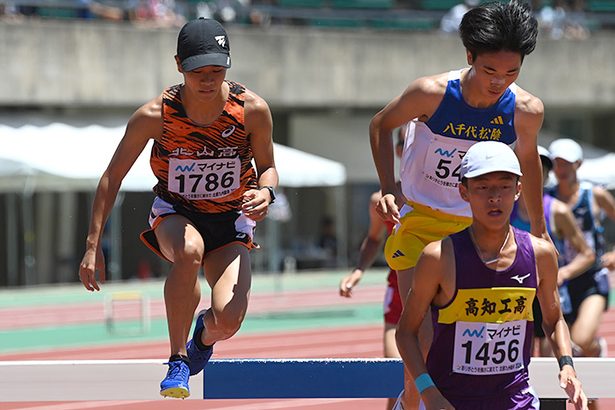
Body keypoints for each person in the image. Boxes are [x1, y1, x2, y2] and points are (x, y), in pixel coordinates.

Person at [78, 18, 278, 399]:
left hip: (229, 221)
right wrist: (92, 245)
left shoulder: (252, 110)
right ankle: (178, 358)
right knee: (189, 251)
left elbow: (267, 168)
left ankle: (202, 335)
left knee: (229, 321)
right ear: (178, 65)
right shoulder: (156, 115)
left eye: (217, 71)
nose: (207, 80)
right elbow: (112, 176)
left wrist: (267, 193)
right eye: (197, 71)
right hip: (176, 212)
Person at [369, 1, 547, 407]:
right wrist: (388, 187)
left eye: (511, 73)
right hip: (420, 222)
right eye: (489, 71)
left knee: (470, 344)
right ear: (469, 57)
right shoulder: (430, 93)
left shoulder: (524, 109)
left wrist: (538, 227)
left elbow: (529, 162)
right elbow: (380, 125)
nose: (499, 82)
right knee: (422, 342)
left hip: (478, 232)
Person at [395, 141, 588, 410]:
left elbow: (554, 320)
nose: (494, 197)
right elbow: (406, 333)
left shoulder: (541, 255)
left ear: (518, 190)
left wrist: (567, 365)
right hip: (449, 402)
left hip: (516, 401)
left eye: (504, 186)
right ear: (464, 191)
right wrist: (429, 394)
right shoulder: (438, 257)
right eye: (482, 187)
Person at [339, 125, 406, 410]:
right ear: (399, 151)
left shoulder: (446, 199)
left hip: (441, 293)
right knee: (395, 375)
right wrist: (359, 270)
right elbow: (374, 238)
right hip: (400, 290)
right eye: (406, 144)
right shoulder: (381, 201)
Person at [510, 145, 595, 356]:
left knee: (550, 356)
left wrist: (563, 273)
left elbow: (588, 254)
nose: (531, 174)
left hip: (548, 292)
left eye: (538, 169)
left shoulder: (558, 210)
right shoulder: (502, 208)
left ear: (545, 174)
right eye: (524, 167)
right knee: (521, 357)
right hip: (516, 291)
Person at [548, 138, 615, 362]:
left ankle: (596, 350)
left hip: (592, 277)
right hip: (558, 280)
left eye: (567, 163)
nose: (561, 169)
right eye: (557, 163)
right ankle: (588, 392)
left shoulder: (594, 195)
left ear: (579, 164)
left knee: (582, 339)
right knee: (560, 346)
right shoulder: (547, 198)